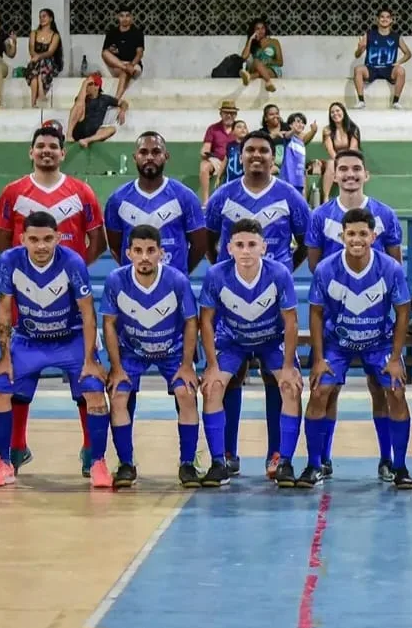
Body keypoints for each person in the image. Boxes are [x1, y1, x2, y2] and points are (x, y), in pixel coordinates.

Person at [0, 125, 106, 476]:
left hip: (70, 308)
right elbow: (1, 240)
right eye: (40, 145)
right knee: (16, 382)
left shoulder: (81, 191)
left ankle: (92, 452)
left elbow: (97, 240)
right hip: (27, 307)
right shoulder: (13, 192)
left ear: (62, 152)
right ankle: (14, 448)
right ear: (31, 152)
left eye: (53, 146)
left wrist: (71, 274)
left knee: (86, 383)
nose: (46, 151)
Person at [205, 130, 311, 477]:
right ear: (241, 154)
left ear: (273, 156)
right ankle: (228, 455)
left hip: (272, 306)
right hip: (233, 307)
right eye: (250, 149)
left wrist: (279, 271)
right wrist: (229, 270)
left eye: (263, 150)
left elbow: (305, 242)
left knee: (276, 380)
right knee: (229, 379)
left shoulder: (290, 197)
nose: (256, 155)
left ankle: (276, 456)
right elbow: (208, 239)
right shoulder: (223, 195)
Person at [0, 212, 107, 488]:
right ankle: (4, 461)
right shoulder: (10, 262)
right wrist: (4, 357)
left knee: (95, 390)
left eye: (48, 239)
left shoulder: (72, 262)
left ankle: (98, 461)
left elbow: (88, 312)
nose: (41, 246)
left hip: (70, 339)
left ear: (58, 238)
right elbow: (3, 309)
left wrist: (90, 359)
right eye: (34, 239)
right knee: (2, 387)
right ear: (23, 238)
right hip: (28, 340)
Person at [305, 149, 403, 478]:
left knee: (382, 388)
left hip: (375, 321)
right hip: (337, 319)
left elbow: (395, 265)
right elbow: (314, 263)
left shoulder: (385, 214)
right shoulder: (320, 217)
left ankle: (388, 459)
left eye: (356, 169)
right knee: (327, 391)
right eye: (343, 168)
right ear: (333, 174)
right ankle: (322, 460)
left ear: (366, 174)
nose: (350, 174)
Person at [198, 220, 302, 486]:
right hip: (232, 340)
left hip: (271, 340)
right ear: (229, 248)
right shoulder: (216, 275)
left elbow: (291, 322)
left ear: (263, 248)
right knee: (212, 387)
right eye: (240, 245)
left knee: (290, 387)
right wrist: (211, 364)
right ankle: (219, 462)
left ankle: (284, 461)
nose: (246, 251)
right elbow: (206, 322)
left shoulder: (279, 274)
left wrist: (289, 366)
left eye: (252, 245)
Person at [101, 225, 199, 488]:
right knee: (119, 394)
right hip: (133, 351)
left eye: (151, 251)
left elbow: (192, 322)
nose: (145, 256)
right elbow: (108, 323)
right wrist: (116, 367)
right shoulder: (115, 280)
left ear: (161, 253)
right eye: (138, 250)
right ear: (129, 253)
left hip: (171, 351)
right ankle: (125, 464)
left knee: (186, 393)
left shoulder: (177, 281)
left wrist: (188, 365)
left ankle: (188, 464)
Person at [104, 132, 206, 273]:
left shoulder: (185, 197)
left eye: (156, 152)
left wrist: (179, 273)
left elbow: (200, 245)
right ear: (135, 158)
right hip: (132, 289)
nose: (150, 157)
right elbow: (115, 246)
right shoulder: (117, 200)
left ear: (166, 156)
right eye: (143, 152)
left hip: (173, 288)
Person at [353, 8, 412, 109]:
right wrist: (360, 48)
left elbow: (408, 53)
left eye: (387, 17)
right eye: (382, 17)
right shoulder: (369, 34)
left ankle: (396, 102)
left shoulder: (396, 36)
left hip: (389, 68)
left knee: (401, 71)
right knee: (358, 69)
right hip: (371, 68)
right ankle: (361, 101)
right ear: (377, 19)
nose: (384, 19)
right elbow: (357, 55)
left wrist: (398, 62)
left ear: (391, 20)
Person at [66, 73, 129, 149]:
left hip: (94, 134)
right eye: (86, 84)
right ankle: (69, 135)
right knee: (78, 106)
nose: (86, 87)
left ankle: (87, 140)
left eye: (89, 84)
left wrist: (123, 111)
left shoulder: (105, 99)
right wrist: (84, 84)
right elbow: (78, 106)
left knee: (112, 129)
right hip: (80, 129)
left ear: (97, 86)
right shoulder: (82, 98)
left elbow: (123, 103)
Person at [320, 103, 362, 201]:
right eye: (332, 112)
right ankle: (325, 198)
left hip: (352, 157)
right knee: (330, 164)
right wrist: (338, 162)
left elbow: (353, 149)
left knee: (352, 166)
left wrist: (344, 162)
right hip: (336, 159)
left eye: (338, 111)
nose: (335, 114)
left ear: (343, 112)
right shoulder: (327, 130)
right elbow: (330, 150)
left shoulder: (353, 128)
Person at [199, 101, 238, 205]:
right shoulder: (213, 128)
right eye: (226, 113)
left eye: (232, 113)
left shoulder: (239, 127)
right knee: (204, 166)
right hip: (217, 161)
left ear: (235, 115)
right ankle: (206, 202)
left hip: (235, 161)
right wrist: (204, 152)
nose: (229, 115)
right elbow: (206, 147)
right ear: (221, 114)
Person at [101, 6, 145, 99]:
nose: (124, 19)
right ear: (118, 17)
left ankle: (116, 99)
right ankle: (125, 67)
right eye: (122, 16)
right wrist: (125, 67)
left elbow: (139, 53)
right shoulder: (111, 33)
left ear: (132, 17)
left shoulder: (137, 33)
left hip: (133, 65)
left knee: (125, 73)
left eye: (127, 16)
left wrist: (132, 65)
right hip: (116, 65)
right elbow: (106, 55)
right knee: (105, 53)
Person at [24, 8, 63, 106]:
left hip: (49, 64)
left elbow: (50, 52)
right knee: (35, 69)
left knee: (41, 62)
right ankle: (34, 102)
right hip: (35, 63)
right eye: (40, 17)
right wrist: (35, 57)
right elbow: (31, 49)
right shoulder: (34, 33)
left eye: (44, 16)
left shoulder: (55, 35)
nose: (42, 19)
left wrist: (38, 57)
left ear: (51, 18)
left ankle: (38, 95)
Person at [281, 112, 319, 199]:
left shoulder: (301, 143)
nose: (300, 124)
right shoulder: (288, 138)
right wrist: (293, 130)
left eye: (303, 123)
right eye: (298, 121)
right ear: (290, 125)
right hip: (288, 179)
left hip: (299, 181)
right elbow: (287, 135)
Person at [240, 18, 283, 92]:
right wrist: (250, 40)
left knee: (264, 70)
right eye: (258, 29)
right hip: (256, 67)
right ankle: (268, 82)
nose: (261, 31)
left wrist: (268, 61)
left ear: (266, 29)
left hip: (272, 70)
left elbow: (280, 62)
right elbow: (244, 57)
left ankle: (249, 76)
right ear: (254, 31)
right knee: (256, 61)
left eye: (263, 28)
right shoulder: (253, 43)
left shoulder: (274, 42)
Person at [224, 119, 247, 184]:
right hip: (230, 179)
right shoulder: (230, 145)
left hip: (244, 180)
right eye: (239, 127)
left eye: (245, 127)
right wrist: (219, 176)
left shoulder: (249, 145)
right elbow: (225, 160)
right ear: (233, 132)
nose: (243, 129)